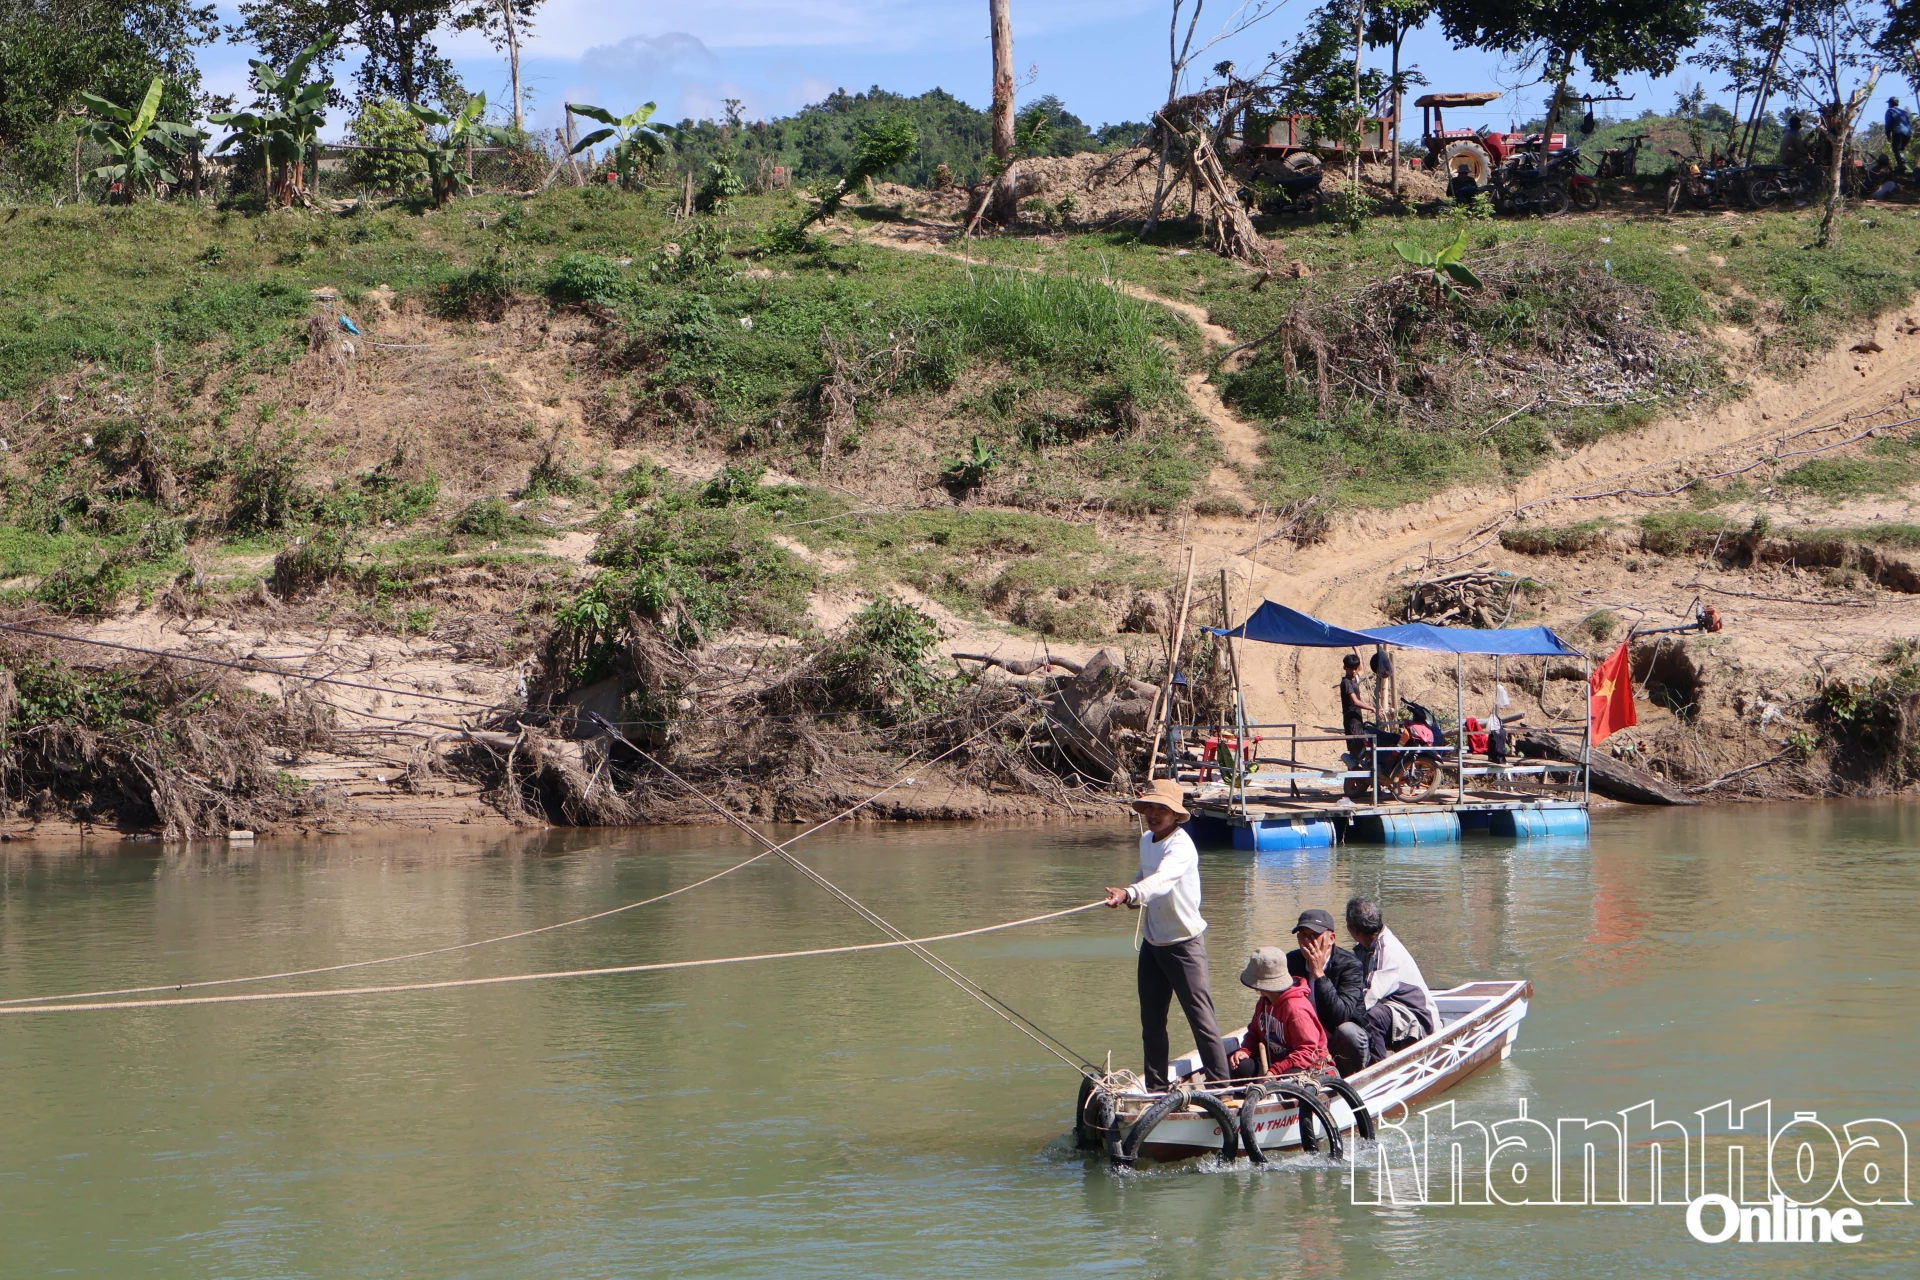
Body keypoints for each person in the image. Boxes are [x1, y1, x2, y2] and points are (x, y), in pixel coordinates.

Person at [1103, 780, 1229, 1090]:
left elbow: (1161, 881)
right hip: (1153, 944)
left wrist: (1131, 893)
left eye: (1162, 809)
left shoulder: (1182, 846)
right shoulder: (1147, 840)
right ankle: (1156, 1089)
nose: (1154, 814)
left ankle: (1222, 1089)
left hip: (1184, 944)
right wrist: (1130, 896)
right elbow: (1145, 876)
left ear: (1175, 814)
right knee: (1152, 1024)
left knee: (1202, 1021)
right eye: (1150, 808)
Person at [1346, 897, 1437, 1064]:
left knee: (1371, 1015)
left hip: (1418, 1017)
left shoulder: (1386, 951)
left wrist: (1337, 1014)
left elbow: (1368, 998)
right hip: (1392, 1009)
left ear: (1352, 929)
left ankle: (1377, 1070)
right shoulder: (1363, 949)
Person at [1227, 947, 1333, 1079]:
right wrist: (1245, 1050)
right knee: (1241, 1066)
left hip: (1307, 1068)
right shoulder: (1264, 1002)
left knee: (1289, 1081)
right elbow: (1254, 1032)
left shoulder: (1296, 1010)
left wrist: (1276, 1071)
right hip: (1275, 1064)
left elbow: (1307, 1052)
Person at [1290, 907, 1371, 1076]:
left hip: (1340, 1041)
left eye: (1314, 935)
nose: (1308, 942)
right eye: (1303, 935)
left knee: (1347, 1031)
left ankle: (1350, 1078)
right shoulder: (1291, 961)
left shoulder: (1350, 965)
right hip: (1308, 1041)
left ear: (1331, 938)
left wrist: (1319, 974)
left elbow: (1340, 1016)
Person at [1338, 653, 1373, 766]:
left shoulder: (1355, 678)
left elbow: (1361, 668)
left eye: (1355, 668)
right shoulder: (1346, 683)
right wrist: (1372, 708)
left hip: (1357, 719)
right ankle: (1355, 775)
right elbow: (1355, 701)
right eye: (1351, 669)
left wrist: (1356, 648)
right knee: (1355, 748)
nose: (1354, 671)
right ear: (1345, 668)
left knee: (1361, 746)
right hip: (1351, 721)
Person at [1888, 97, 1913, 175]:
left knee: (1897, 149)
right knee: (1900, 149)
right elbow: (1908, 123)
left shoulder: (1890, 111)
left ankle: (1902, 166)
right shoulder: (1904, 112)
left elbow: (1888, 124)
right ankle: (1902, 166)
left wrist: (1888, 134)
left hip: (1898, 131)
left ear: (1891, 103)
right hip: (1907, 132)